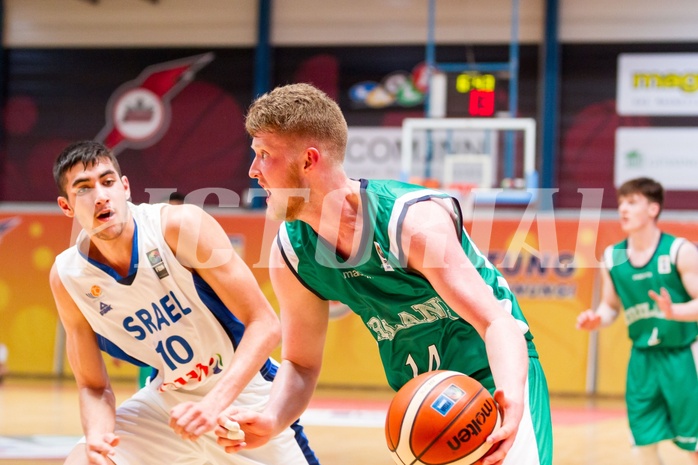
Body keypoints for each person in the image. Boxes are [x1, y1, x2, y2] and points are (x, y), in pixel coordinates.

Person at [215, 83, 553, 465]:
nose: (253, 170)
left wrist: (510, 395)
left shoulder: (410, 223)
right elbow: (301, 363)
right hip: (420, 402)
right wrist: (273, 418)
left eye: (264, 155)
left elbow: (497, 323)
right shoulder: (291, 253)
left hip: (491, 380)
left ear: (309, 160)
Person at [50, 140, 319, 465]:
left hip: (245, 395)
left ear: (125, 187)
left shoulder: (180, 226)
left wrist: (213, 405)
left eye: (107, 182)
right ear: (66, 207)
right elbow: (93, 386)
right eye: (83, 189)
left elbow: (265, 324)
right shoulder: (68, 276)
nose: (100, 196)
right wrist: (98, 438)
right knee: (84, 462)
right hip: (169, 403)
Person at [576, 177, 698, 465]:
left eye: (632, 202)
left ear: (653, 209)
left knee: (695, 442)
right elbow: (610, 306)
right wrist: (597, 318)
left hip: (684, 355)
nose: (623, 209)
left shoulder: (680, 251)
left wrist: (676, 312)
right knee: (643, 442)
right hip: (642, 359)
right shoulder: (612, 257)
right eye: (621, 203)